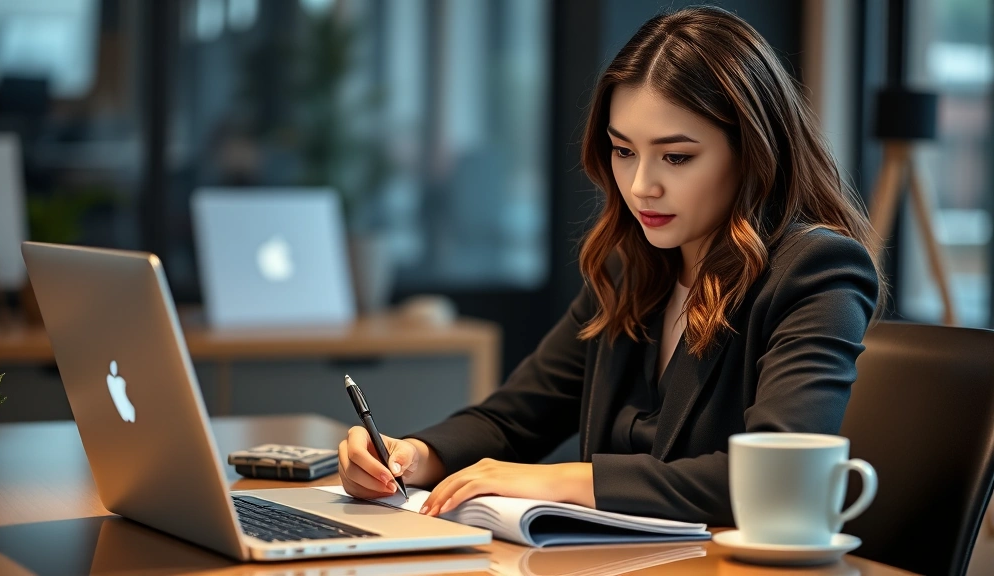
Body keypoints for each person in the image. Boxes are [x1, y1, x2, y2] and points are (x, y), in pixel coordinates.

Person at [337, 5, 884, 526]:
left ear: (752, 153)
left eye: (676, 157)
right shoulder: (632, 269)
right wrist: (410, 456)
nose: (641, 185)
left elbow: (776, 478)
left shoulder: (818, 269)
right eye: (624, 151)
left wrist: (562, 481)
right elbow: (512, 418)